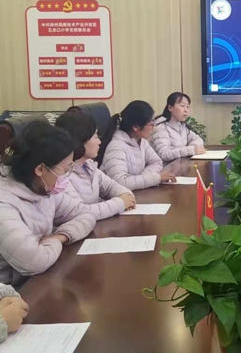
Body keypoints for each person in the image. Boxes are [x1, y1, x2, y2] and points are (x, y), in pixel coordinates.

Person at [0, 121, 96, 285]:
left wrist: (60, 236)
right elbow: (35, 262)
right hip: (13, 291)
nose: (67, 175)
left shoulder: (42, 187)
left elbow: (86, 214)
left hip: (38, 279)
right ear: (40, 169)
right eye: (65, 169)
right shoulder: (4, 205)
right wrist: (53, 243)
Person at [56, 111, 136, 219]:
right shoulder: (61, 174)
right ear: (80, 139)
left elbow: (112, 187)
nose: (99, 141)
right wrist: (119, 204)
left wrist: (125, 197)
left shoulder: (88, 165)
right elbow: (77, 212)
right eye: (95, 136)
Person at [100, 101, 176, 190]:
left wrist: (145, 179)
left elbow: (156, 162)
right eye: (150, 124)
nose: (153, 127)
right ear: (135, 127)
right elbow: (120, 182)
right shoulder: (116, 147)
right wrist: (156, 178)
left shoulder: (141, 141)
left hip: (136, 193)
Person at [151, 92, 205, 163]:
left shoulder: (182, 126)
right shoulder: (161, 128)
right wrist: (190, 150)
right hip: (166, 168)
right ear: (170, 108)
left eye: (188, 107)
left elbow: (198, 139)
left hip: (181, 164)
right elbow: (164, 154)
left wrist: (193, 147)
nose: (186, 110)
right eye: (182, 106)